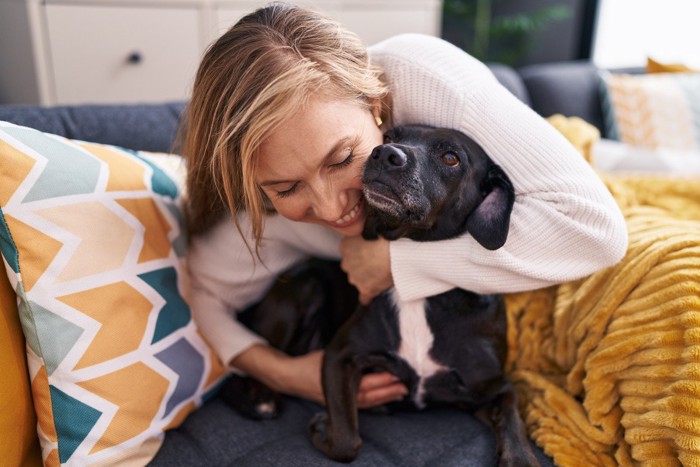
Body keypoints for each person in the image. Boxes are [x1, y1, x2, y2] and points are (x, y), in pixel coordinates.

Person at [182, 3, 628, 409]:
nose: (332, 207)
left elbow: (597, 232)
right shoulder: (259, 209)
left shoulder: (431, 81)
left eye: (341, 159)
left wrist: (398, 260)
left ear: (376, 105)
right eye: (287, 188)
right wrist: (284, 374)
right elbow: (201, 293)